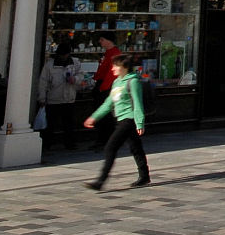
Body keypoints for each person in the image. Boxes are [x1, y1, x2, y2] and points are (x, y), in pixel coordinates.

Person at [83, 54, 149, 190]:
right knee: (135, 147)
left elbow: (137, 103)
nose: (112, 69)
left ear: (124, 67)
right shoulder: (117, 82)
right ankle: (144, 176)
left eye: (115, 66)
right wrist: (94, 117)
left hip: (129, 119)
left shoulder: (133, 81)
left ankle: (100, 181)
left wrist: (140, 122)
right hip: (120, 118)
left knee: (110, 147)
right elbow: (108, 103)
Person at [37, 48, 83, 151]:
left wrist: (74, 79)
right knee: (50, 124)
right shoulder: (50, 65)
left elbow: (81, 75)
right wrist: (42, 98)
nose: (64, 57)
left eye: (65, 55)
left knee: (68, 123)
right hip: (54, 98)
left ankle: (69, 143)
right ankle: (46, 144)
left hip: (69, 98)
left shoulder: (75, 63)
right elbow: (43, 82)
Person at [88, 32, 121, 150]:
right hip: (103, 86)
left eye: (102, 39)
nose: (100, 42)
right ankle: (103, 139)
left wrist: (103, 87)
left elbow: (112, 73)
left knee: (105, 116)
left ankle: (106, 140)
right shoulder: (108, 54)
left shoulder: (114, 54)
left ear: (108, 40)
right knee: (103, 116)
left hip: (107, 88)